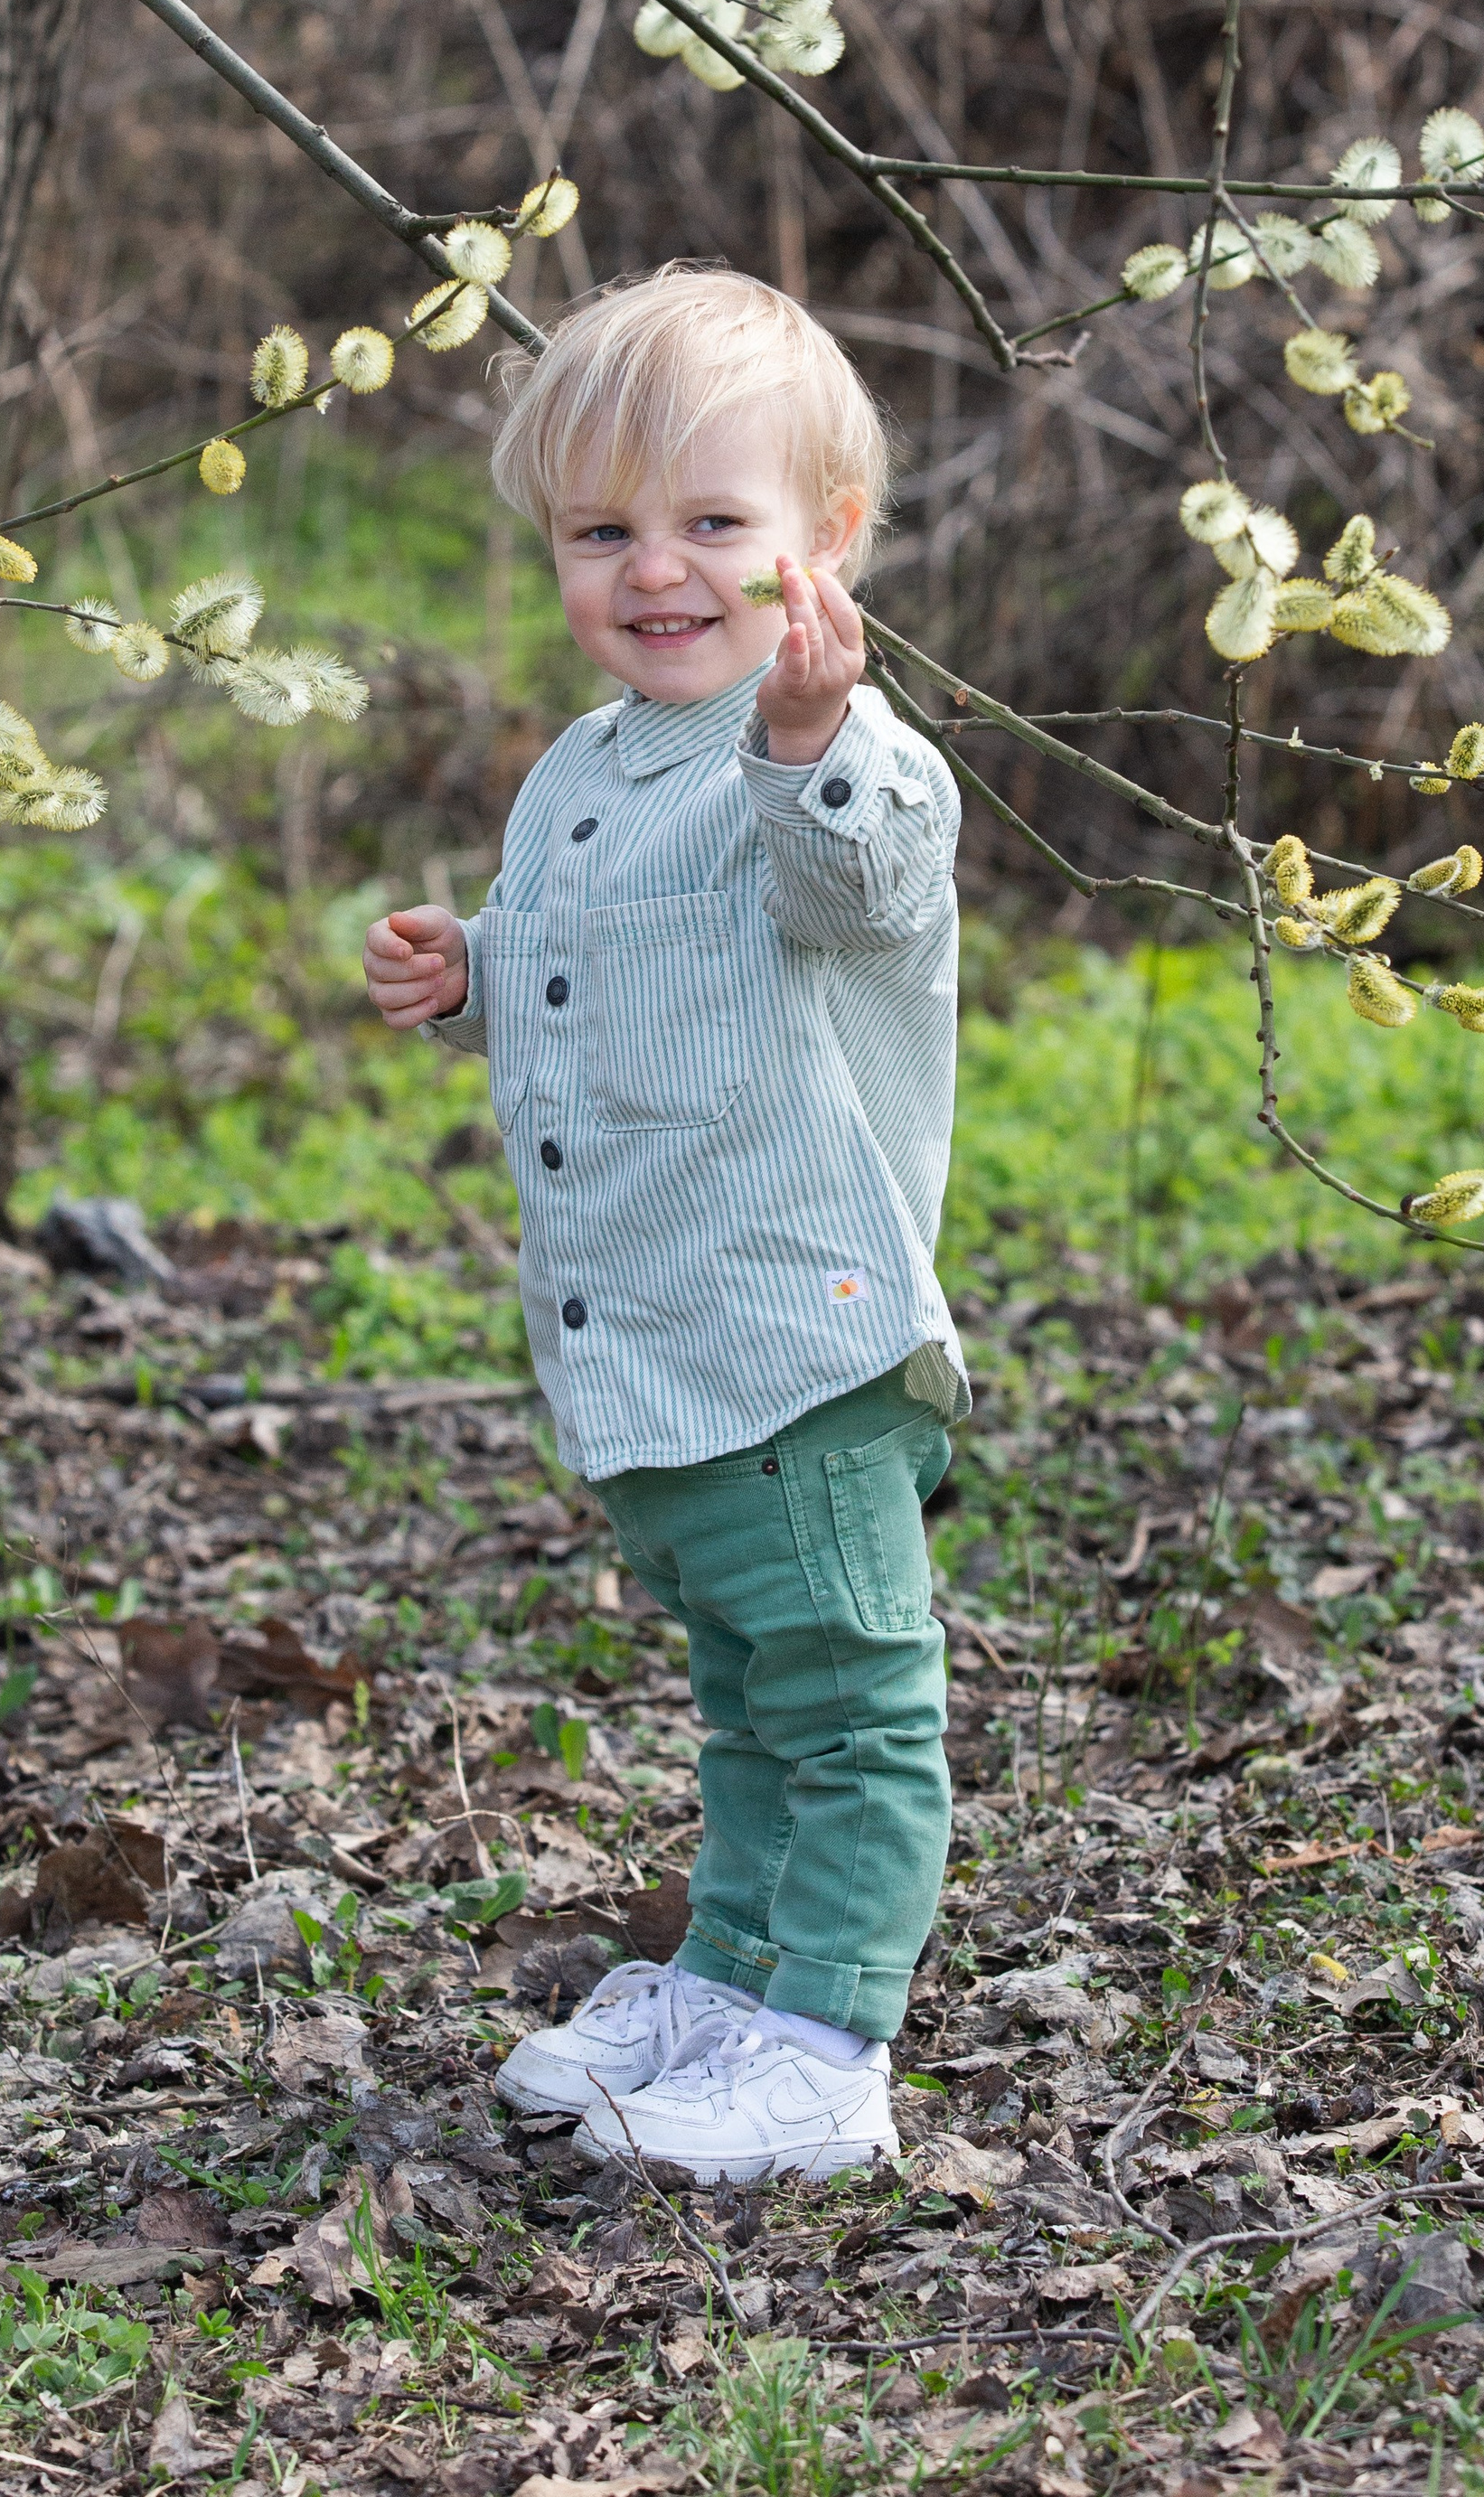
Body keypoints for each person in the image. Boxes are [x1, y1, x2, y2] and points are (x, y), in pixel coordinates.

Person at [362, 264, 966, 2185]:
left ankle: (828, 2045)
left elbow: (851, 889)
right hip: (652, 1337)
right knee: (745, 1698)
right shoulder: (584, 766)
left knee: (847, 1701)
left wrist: (809, 730)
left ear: (823, 544)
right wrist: (473, 970)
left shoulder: (847, 760)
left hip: (795, 1332)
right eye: (600, 531)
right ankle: (728, 1981)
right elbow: (610, 979)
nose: (656, 571)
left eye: (713, 522)